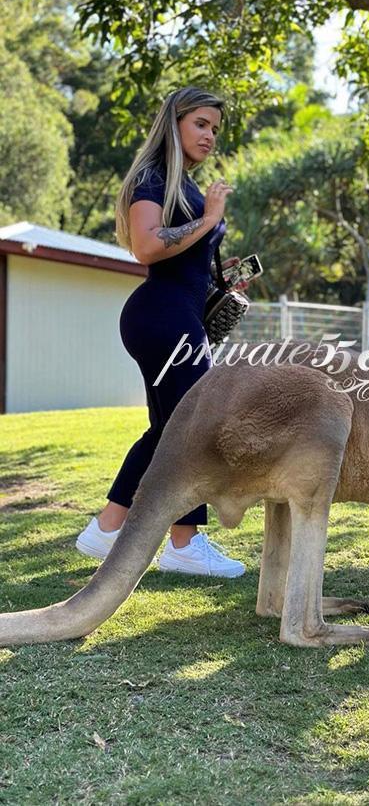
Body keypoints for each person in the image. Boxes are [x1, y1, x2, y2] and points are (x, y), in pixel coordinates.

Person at [76, 86, 250, 577]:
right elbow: (148, 248)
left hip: (178, 315)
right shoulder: (152, 180)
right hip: (162, 317)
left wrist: (224, 274)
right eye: (201, 123)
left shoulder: (186, 188)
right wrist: (212, 218)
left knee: (172, 428)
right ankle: (181, 543)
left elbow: (187, 262)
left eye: (215, 128)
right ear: (174, 122)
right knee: (191, 426)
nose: (210, 135)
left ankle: (110, 529)